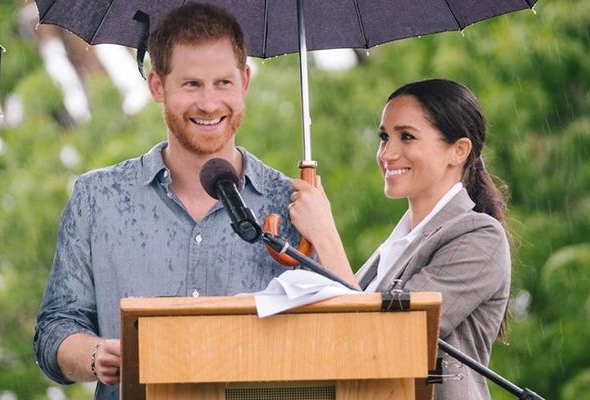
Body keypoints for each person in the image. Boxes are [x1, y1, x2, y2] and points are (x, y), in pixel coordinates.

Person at [34, 4, 298, 399]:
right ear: (157, 85)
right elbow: (55, 329)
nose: (210, 104)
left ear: (245, 81)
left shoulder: (290, 202)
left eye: (223, 82)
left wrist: (323, 229)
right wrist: (94, 355)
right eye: (191, 84)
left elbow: (344, 335)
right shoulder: (97, 198)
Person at [289, 78, 511, 400]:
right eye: (384, 137)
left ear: (458, 150)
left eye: (406, 137)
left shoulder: (479, 238)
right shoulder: (397, 245)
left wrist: (325, 235)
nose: (387, 153)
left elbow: (385, 339)